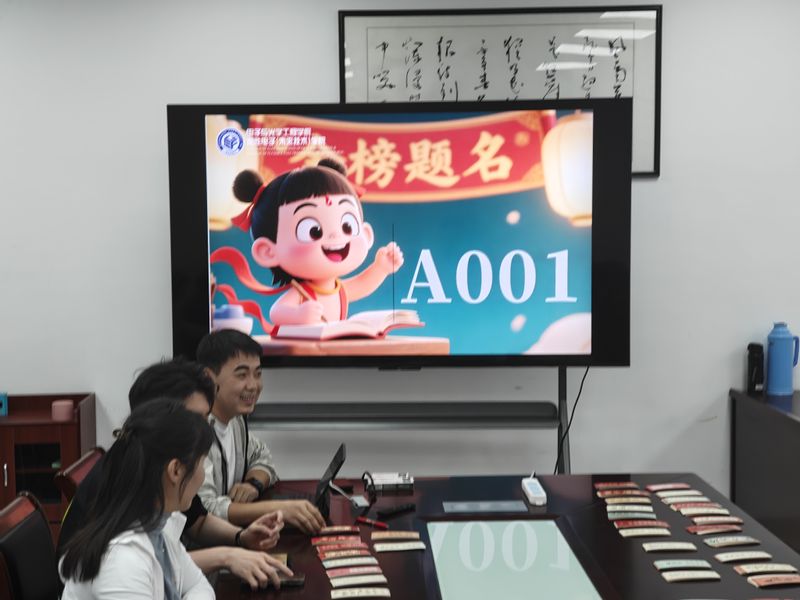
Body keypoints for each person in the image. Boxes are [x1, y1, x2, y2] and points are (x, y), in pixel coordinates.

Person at [58, 359, 292, 590]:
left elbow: (196, 523)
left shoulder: (164, 481)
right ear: (159, 416)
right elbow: (151, 565)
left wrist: (241, 537)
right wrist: (226, 557)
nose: (205, 430)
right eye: (196, 419)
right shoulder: (124, 488)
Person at [217, 158, 403, 326]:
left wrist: (381, 268)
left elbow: (362, 285)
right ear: (268, 251)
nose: (335, 236)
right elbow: (276, 312)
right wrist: (298, 315)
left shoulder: (338, 290)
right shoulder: (302, 293)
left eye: (347, 226)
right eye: (313, 231)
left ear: (366, 233)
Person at [60, 401, 217, 599]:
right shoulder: (122, 560)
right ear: (175, 470)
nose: (203, 476)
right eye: (202, 463)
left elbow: (198, 585)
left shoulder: (159, 523)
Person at [196, 329, 326, 533]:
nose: (253, 385)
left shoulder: (236, 420)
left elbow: (262, 456)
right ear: (209, 377)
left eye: (257, 374)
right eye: (242, 375)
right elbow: (205, 510)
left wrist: (253, 484)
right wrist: (279, 510)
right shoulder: (195, 430)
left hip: (235, 537)